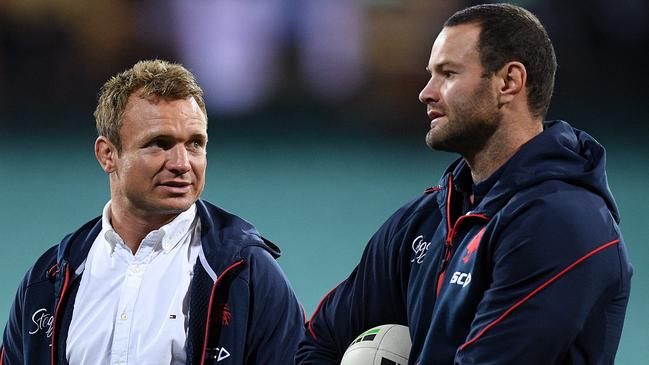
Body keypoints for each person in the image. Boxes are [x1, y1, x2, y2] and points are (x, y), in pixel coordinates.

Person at [296, 4, 632, 364]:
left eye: (448, 74)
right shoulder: (423, 220)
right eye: (430, 75)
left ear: (508, 82)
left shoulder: (563, 224)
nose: (426, 92)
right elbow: (317, 344)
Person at [1, 60, 305, 364]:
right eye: (159, 144)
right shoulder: (46, 280)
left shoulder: (248, 274)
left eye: (195, 144)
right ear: (108, 154)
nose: (182, 163)